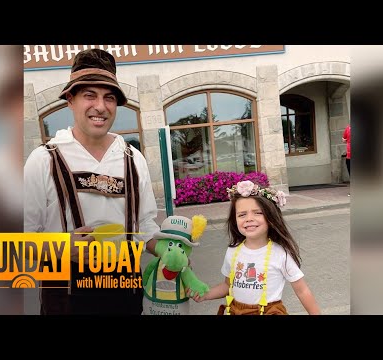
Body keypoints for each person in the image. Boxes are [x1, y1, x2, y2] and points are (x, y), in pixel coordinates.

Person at [24, 48, 160, 315]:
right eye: (89, 95)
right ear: (70, 100)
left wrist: (168, 249)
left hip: (126, 297)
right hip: (64, 300)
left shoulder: (133, 158)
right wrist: (61, 249)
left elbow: (145, 226)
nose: (100, 106)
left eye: (109, 97)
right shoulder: (44, 160)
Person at [188, 180, 321, 315]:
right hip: (235, 311)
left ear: (270, 217)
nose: (249, 219)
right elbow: (228, 286)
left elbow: (302, 290)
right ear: (235, 220)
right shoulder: (232, 251)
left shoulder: (280, 253)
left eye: (257, 213)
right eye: (242, 214)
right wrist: (206, 294)